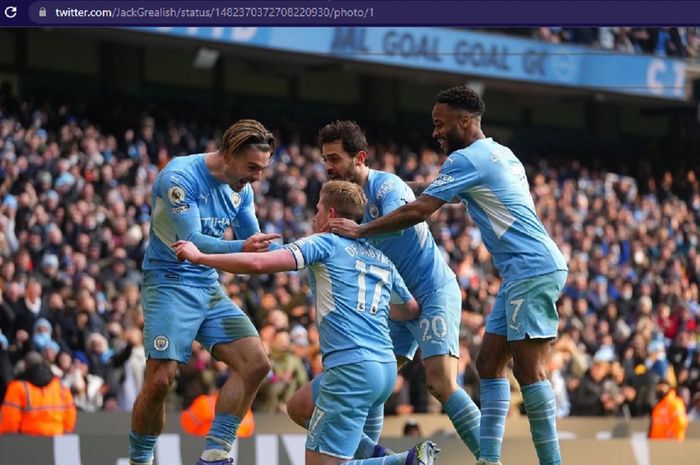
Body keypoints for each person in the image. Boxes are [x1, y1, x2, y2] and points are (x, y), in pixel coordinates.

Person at [327, 85, 569, 465]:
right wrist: (401, 191)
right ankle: (488, 459)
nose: (436, 132)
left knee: (529, 370)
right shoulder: (499, 154)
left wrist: (361, 229)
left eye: (441, 124)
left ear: (466, 120)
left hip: (530, 268)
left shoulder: (465, 161)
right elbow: (431, 194)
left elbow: (421, 208)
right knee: (488, 364)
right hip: (522, 270)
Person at [174, 180, 440, 465]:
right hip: (385, 368)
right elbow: (410, 308)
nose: (314, 216)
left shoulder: (324, 242)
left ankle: (403, 462)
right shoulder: (380, 257)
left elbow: (258, 265)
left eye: (318, 209)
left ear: (330, 214)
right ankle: (375, 455)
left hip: (351, 369)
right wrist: (367, 308)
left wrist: (200, 256)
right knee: (300, 406)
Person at [285, 120, 480, 459]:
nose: (328, 167)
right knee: (369, 384)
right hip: (394, 302)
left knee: (439, 381)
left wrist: (359, 232)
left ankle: (491, 456)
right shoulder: (347, 204)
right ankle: (380, 459)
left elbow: (404, 218)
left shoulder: (386, 186)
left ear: (359, 157)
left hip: (431, 290)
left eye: (335, 158)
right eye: (325, 159)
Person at [130, 119, 281, 465]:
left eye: (262, 169)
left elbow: (253, 244)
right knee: (159, 381)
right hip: (168, 282)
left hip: (208, 286)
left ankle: (215, 453)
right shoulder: (179, 178)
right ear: (228, 154)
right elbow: (192, 243)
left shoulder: (242, 189)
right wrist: (244, 245)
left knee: (256, 364)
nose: (257, 177)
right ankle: (140, 460)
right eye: (252, 167)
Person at [0, 351, 76, 435]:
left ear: (25, 366)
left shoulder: (17, 388)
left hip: (27, 441)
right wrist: (63, 432)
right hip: (56, 438)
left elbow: (10, 420)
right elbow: (70, 415)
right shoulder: (61, 387)